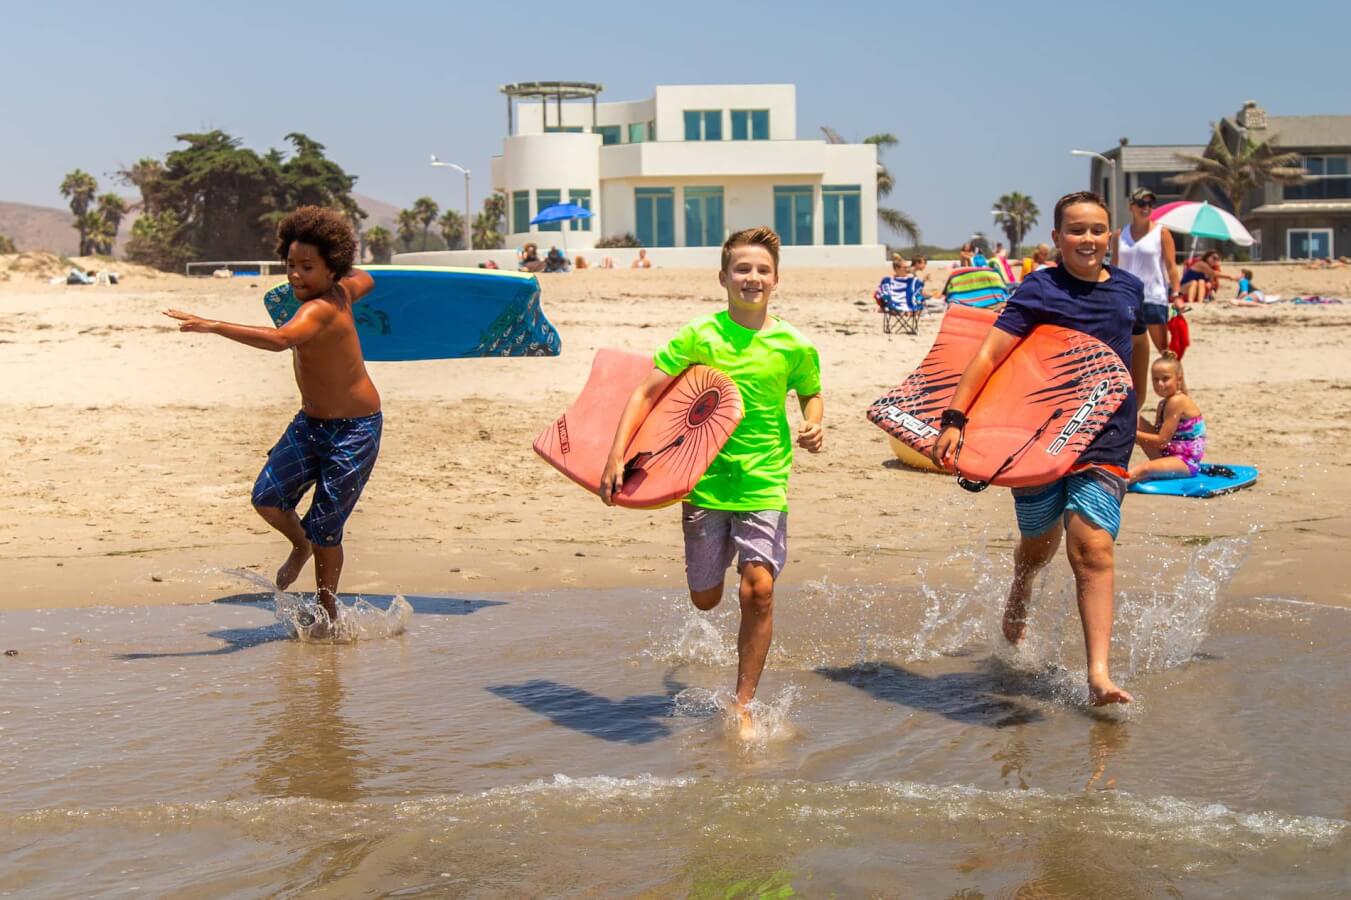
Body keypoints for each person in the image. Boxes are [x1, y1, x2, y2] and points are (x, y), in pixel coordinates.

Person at [599, 226, 824, 738]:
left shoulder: (794, 344)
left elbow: (811, 392)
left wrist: (815, 421)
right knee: (706, 598)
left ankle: (741, 703)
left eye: (763, 270)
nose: (752, 278)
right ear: (723, 277)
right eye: (742, 269)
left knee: (759, 590)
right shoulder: (701, 335)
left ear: (777, 280)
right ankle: (712, 585)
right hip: (700, 480)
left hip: (765, 478)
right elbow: (645, 394)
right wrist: (616, 456)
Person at [931, 192, 1150, 706]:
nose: (1088, 239)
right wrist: (954, 419)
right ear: (1056, 238)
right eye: (1076, 230)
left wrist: (1133, 403)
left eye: (1098, 229)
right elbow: (989, 354)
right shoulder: (1039, 288)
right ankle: (1022, 587)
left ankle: (1099, 674)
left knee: (1090, 546)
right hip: (1038, 434)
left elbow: (1139, 342)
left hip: (1105, 433)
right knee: (1038, 544)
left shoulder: (1128, 289)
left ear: (1110, 236)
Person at [164, 206, 381, 626]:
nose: (295, 275)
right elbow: (367, 278)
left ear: (331, 268)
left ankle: (327, 608)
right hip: (311, 423)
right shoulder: (345, 289)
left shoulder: (318, 309)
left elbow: (282, 340)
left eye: (307, 267)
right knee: (267, 497)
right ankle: (299, 545)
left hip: (355, 430)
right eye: (291, 265)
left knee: (327, 527)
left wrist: (212, 325)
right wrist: (348, 275)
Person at [1111, 187, 1182, 353]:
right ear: (1131, 206)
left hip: (1154, 297)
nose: (1146, 208)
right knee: (1128, 350)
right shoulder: (1119, 235)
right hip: (1125, 298)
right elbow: (1114, 266)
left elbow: (1171, 266)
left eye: (1151, 204)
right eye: (1142, 203)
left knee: (1165, 351)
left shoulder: (1162, 232)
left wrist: (1177, 295)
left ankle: (1176, 380)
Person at [1130, 352, 1205, 484]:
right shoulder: (1164, 403)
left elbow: (1162, 441)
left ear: (1179, 379)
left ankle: (1109, 488)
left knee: (1144, 469)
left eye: (1165, 379)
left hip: (1185, 462)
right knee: (1131, 415)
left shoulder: (1177, 401)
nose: (1159, 384)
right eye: (1155, 379)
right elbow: (1158, 435)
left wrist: (1131, 435)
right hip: (1168, 453)